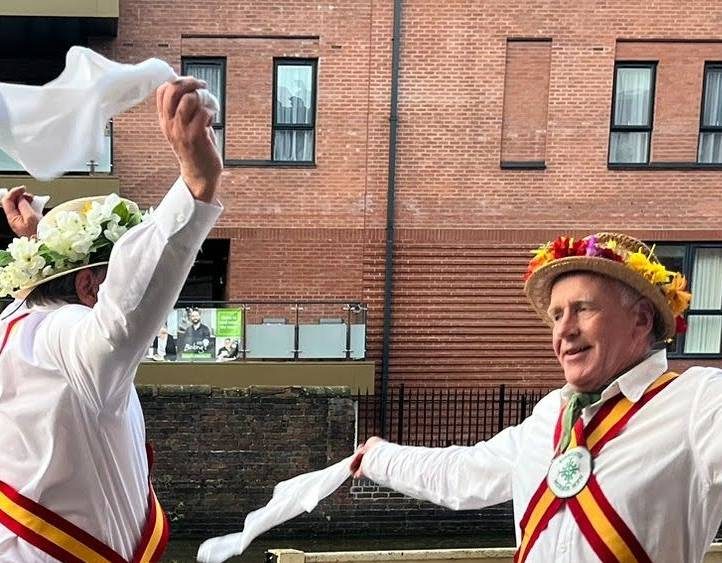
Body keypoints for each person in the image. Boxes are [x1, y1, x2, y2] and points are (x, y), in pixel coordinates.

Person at [350, 233, 722, 563]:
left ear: (641, 319)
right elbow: (462, 473)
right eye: (557, 315)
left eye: (583, 309)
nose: (564, 331)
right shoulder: (550, 414)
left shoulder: (697, 402)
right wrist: (378, 457)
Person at [0, 76, 223, 562]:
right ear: (87, 286)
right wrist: (195, 186)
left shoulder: (13, 325)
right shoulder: (75, 343)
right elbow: (126, 307)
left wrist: (38, 240)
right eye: (107, 275)